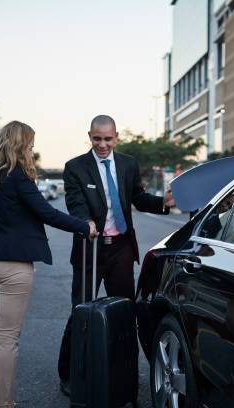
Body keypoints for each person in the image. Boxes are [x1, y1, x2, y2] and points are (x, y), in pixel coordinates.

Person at [0, 121, 97, 408]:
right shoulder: (16, 177)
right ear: (19, 145)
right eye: (29, 146)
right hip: (13, 266)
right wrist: (84, 226)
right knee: (6, 339)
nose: (30, 151)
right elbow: (47, 213)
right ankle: (4, 403)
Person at [57, 114, 176, 395]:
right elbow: (75, 204)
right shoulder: (75, 167)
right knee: (81, 312)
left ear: (116, 136)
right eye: (97, 139)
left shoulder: (127, 164)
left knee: (125, 312)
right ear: (89, 136)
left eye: (108, 139)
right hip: (91, 247)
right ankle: (69, 374)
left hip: (121, 248)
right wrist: (85, 222)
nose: (102, 144)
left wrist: (164, 202)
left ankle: (123, 374)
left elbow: (138, 198)